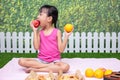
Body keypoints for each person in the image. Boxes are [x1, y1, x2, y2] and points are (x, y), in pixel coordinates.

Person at [18, 5, 73, 73]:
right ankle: (48, 67)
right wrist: (35, 31)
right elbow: (36, 47)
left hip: (55, 61)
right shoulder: (39, 32)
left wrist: (66, 36)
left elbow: (61, 50)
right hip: (41, 60)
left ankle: (37, 69)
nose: (38, 16)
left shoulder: (57, 32)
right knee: (21, 61)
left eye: (40, 14)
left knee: (65, 67)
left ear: (49, 19)